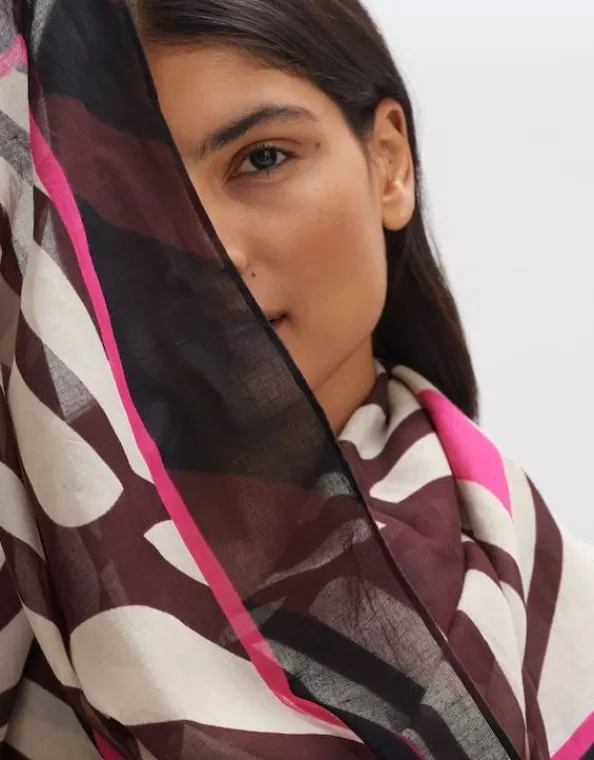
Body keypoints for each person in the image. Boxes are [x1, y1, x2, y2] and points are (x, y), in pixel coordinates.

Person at [0, 1, 592, 760]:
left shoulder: (563, 627)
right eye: (130, 201)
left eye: (263, 159)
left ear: (390, 162)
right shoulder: (29, 574)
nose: (212, 252)